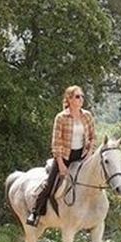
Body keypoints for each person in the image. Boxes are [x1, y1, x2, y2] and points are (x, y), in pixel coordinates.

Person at [27, 85, 96, 227]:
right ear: (69, 99)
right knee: (50, 184)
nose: (81, 99)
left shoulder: (87, 116)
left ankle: (91, 217)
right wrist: (61, 164)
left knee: (94, 182)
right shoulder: (61, 117)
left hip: (82, 156)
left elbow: (93, 137)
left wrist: (89, 153)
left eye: (82, 96)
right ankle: (35, 212)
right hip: (64, 156)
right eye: (77, 96)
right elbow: (56, 143)